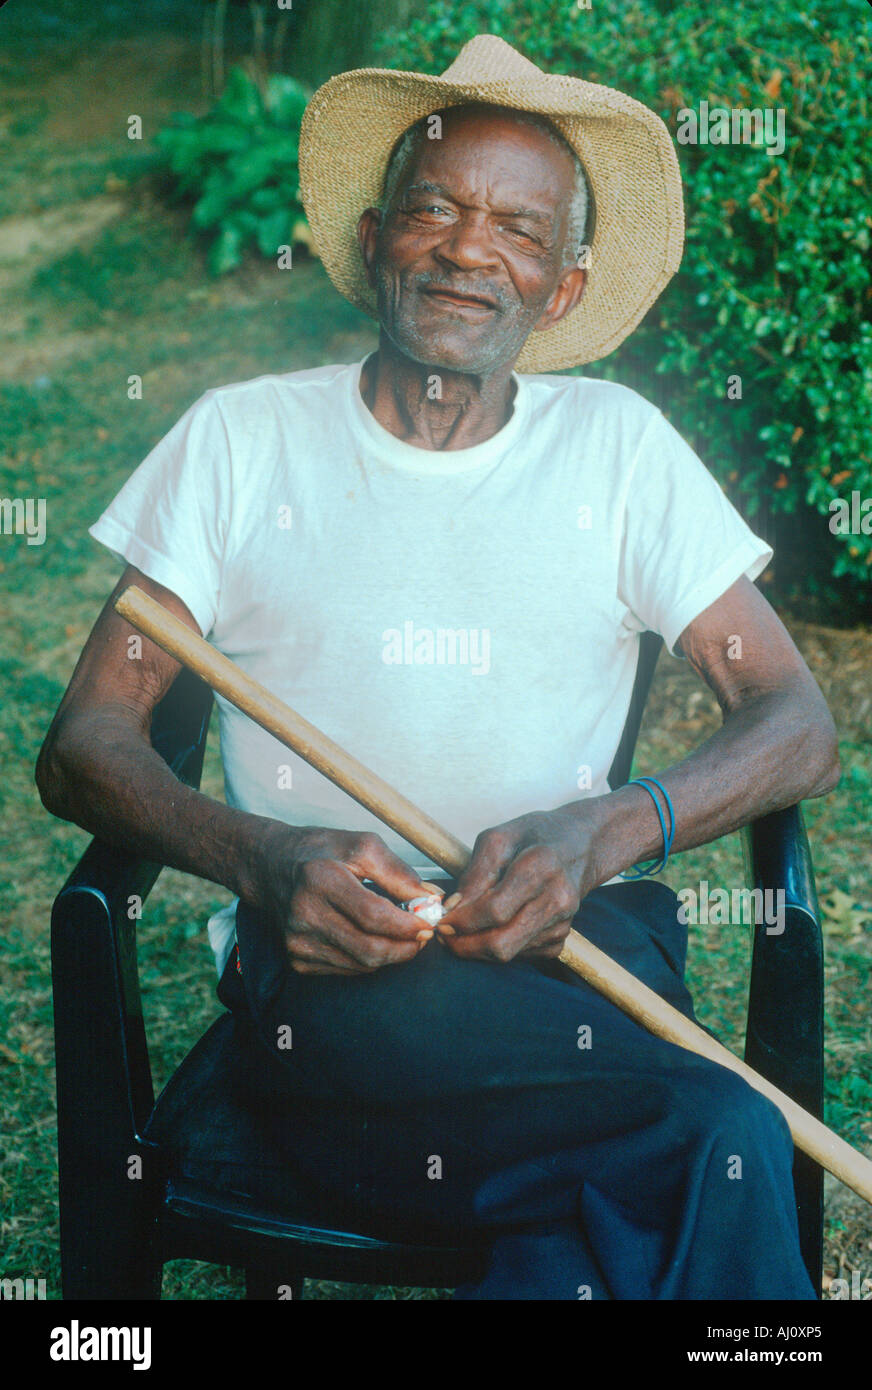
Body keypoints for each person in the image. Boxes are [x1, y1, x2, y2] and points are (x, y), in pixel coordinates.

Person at [36, 35, 838, 1299]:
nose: (469, 251)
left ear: (561, 289)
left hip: (581, 943)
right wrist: (261, 856)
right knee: (718, 1137)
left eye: (518, 229)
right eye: (435, 211)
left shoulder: (621, 452)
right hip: (338, 973)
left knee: (597, 1222)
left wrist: (608, 828)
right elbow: (84, 743)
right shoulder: (238, 445)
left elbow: (795, 719)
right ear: (371, 240)